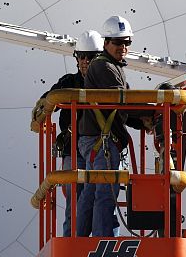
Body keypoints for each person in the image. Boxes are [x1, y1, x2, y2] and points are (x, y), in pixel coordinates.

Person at [76, 16, 148, 237]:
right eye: (118, 43)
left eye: (127, 43)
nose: (123, 48)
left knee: (91, 191)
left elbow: (120, 107)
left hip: (96, 140)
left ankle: (80, 240)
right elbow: (122, 101)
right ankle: (102, 240)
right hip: (102, 141)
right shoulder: (105, 67)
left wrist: (143, 119)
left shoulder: (110, 66)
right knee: (105, 193)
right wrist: (151, 112)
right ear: (106, 43)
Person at [37, 30, 102, 236]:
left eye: (90, 57)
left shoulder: (109, 84)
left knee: (103, 200)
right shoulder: (67, 83)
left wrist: (147, 120)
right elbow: (47, 100)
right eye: (81, 56)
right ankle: (74, 242)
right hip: (72, 151)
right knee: (75, 199)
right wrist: (41, 110)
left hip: (101, 151)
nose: (84, 61)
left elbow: (129, 110)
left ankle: (104, 242)